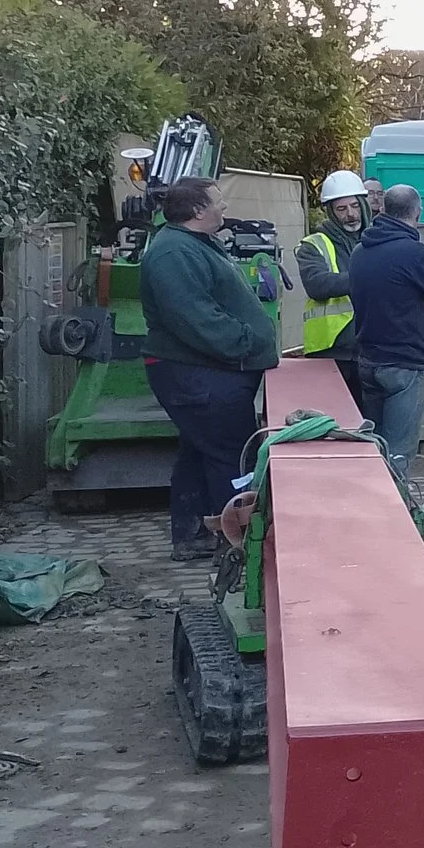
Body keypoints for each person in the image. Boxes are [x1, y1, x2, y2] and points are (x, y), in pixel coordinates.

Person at [137, 177, 279, 561]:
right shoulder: (173, 255)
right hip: (198, 374)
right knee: (233, 456)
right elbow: (194, 318)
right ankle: (239, 545)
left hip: (208, 372)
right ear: (198, 211)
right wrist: (247, 342)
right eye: (218, 201)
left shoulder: (192, 245)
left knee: (200, 452)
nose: (224, 208)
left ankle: (194, 533)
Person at [347, 183, 424, 476]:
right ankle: (397, 515)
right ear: (417, 214)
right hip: (405, 363)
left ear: (382, 209)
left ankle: (369, 507)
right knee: (398, 454)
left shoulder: (359, 252)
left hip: (368, 360)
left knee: (374, 447)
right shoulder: (413, 252)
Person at [294, 169, 370, 404]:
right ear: (331, 212)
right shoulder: (313, 244)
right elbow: (317, 284)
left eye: (355, 206)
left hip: (371, 348)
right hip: (331, 351)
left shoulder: (375, 239)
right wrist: (370, 278)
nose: (350, 214)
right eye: (341, 209)